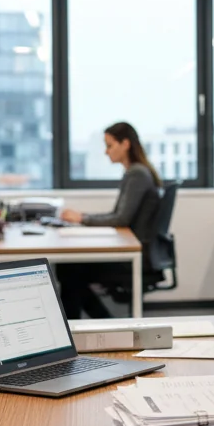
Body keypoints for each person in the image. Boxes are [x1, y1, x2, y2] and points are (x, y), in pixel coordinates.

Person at [56, 122, 163, 318]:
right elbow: (117, 215)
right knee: (69, 270)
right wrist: (84, 219)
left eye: (109, 145)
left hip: (136, 256)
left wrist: (82, 218)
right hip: (134, 248)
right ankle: (98, 323)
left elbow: (120, 219)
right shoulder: (135, 172)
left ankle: (91, 325)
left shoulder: (137, 174)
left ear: (125, 144)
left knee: (69, 271)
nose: (106, 152)